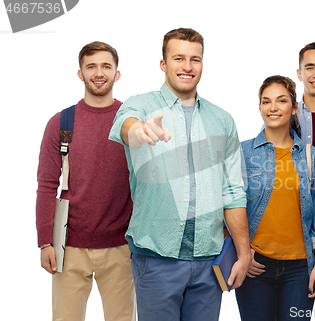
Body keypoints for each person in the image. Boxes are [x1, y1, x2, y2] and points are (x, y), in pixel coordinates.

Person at [108, 28, 251, 321]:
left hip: (208, 260)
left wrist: (244, 252)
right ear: (163, 64)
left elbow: (233, 191)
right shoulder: (141, 105)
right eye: (178, 58)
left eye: (194, 59)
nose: (187, 66)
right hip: (156, 257)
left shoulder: (222, 120)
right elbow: (126, 126)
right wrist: (141, 131)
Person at [36, 41, 136, 321]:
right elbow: (46, 185)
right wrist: (45, 242)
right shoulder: (61, 123)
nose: (99, 72)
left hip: (121, 246)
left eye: (106, 66)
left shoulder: (130, 122)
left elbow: (150, 182)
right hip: (68, 245)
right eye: (91, 66)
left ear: (117, 74)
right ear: (80, 73)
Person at [236, 76, 315, 321]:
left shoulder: (310, 155)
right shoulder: (242, 152)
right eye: (266, 101)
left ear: (294, 107)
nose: (273, 107)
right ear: (259, 107)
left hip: (299, 268)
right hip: (256, 265)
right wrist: (244, 253)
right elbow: (230, 207)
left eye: (281, 100)